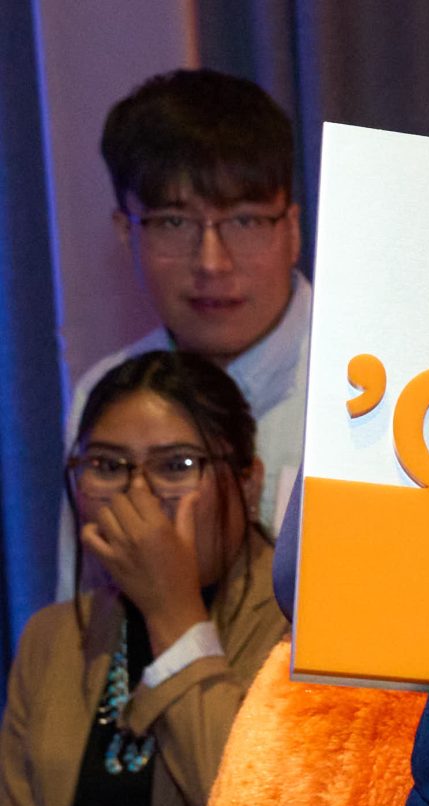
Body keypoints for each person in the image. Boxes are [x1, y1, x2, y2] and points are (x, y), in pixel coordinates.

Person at [1, 350, 289, 806]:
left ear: (248, 481)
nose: (138, 496)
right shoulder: (54, 637)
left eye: (177, 465)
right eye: (107, 466)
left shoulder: (295, 624)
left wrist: (175, 615)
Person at [58, 69, 309, 600]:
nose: (212, 264)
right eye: (174, 223)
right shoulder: (107, 397)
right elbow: (83, 625)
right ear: (127, 231)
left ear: (292, 228)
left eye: (243, 221)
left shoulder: (364, 376)